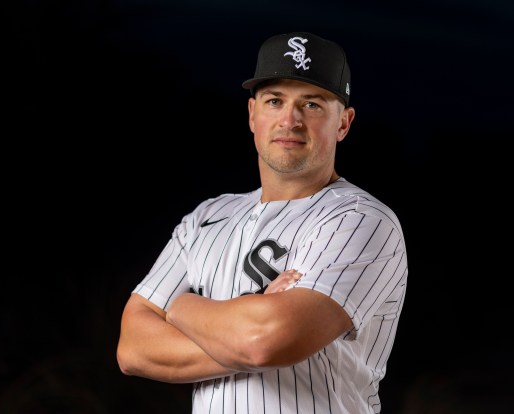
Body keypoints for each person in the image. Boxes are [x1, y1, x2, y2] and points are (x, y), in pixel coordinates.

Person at [117, 31, 408, 414]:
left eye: (313, 104)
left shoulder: (361, 220)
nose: (291, 119)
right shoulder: (206, 217)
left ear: (344, 123)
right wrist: (247, 317)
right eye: (275, 101)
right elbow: (133, 349)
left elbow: (264, 341)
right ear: (253, 114)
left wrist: (182, 308)